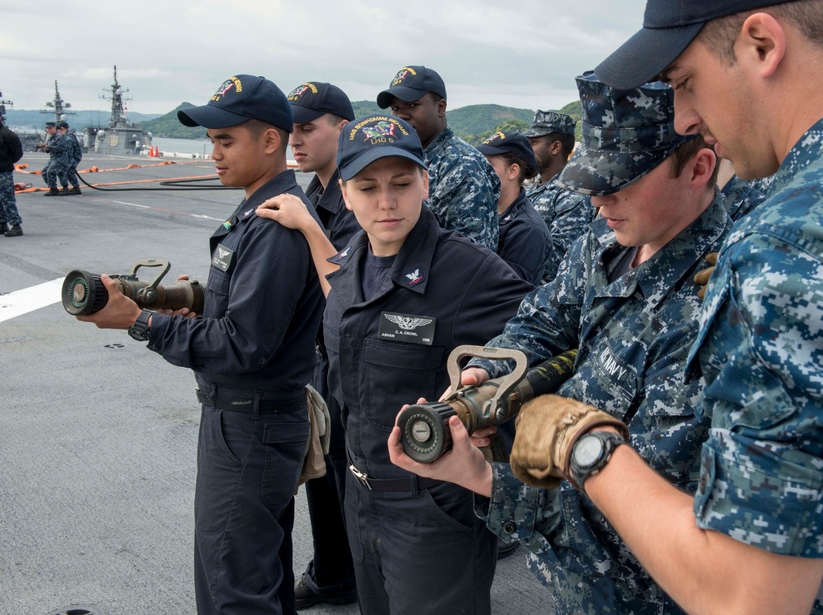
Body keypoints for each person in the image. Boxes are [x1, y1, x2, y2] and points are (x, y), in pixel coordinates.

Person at [495, 0, 823, 613]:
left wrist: (583, 443)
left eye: (685, 81)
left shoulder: (792, 247)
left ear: (761, 43)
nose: (681, 117)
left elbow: (744, 597)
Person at [389, 73, 730, 615]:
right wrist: (485, 376)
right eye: (592, 180)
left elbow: (639, 503)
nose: (599, 200)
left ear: (698, 168)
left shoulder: (720, 297)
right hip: (575, 581)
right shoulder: (610, 236)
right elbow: (544, 319)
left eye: (620, 181)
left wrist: (484, 479)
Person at [256, 114, 534, 614]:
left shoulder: (467, 272)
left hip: (434, 505)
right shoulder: (350, 263)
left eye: (402, 183)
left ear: (425, 183)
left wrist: (494, 409)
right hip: (360, 498)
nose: (387, 201)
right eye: (368, 186)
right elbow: (348, 315)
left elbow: (551, 340)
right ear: (345, 193)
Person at [77, 74, 324, 615]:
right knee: (256, 574)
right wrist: (193, 310)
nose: (213, 153)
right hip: (247, 421)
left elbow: (243, 346)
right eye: (211, 141)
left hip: (249, 426)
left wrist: (140, 322)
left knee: (233, 588)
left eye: (225, 140)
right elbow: (247, 324)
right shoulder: (262, 212)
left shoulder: (273, 224)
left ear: (269, 141)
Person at [285, 80, 360, 609]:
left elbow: (352, 288)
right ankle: (335, 571)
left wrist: (309, 228)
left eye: (308, 128)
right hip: (318, 359)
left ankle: (354, 575)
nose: (296, 139)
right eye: (290, 129)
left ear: (343, 128)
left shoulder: (361, 194)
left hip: (355, 359)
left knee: (354, 475)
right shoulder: (312, 193)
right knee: (323, 473)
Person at [377, 65, 500, 250]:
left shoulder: (462, 165)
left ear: (440, 107)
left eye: (412, 105)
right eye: (395, 108)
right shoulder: (407, 159)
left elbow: (474, 256)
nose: (401, 116)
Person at [523, 110, 594, 283]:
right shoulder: (533, 189)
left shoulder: (572, 194)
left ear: (555, 147)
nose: (526, 149)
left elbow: (558, 259)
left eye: (533, 143)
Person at [475, 131, 552, 285]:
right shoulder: (481, 211)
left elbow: (504, 290)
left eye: (488, 164)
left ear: (512, 171)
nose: (479, 169)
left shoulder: (528, 229)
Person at [0, 118, 24, 237]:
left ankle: (16, 225)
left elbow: (17, 153)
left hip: (3, 172)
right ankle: (2, 224)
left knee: (7, 199)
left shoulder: (8, 135)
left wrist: (6, 163)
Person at [56, 121, 82, 195]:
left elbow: (69, 149)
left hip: (73, 157)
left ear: (62, 128)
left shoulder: (69, 136)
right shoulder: (67, 135)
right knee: (67, 170)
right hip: (70, 156)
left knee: (69, 170)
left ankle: (76, 188)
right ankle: (74, 187)